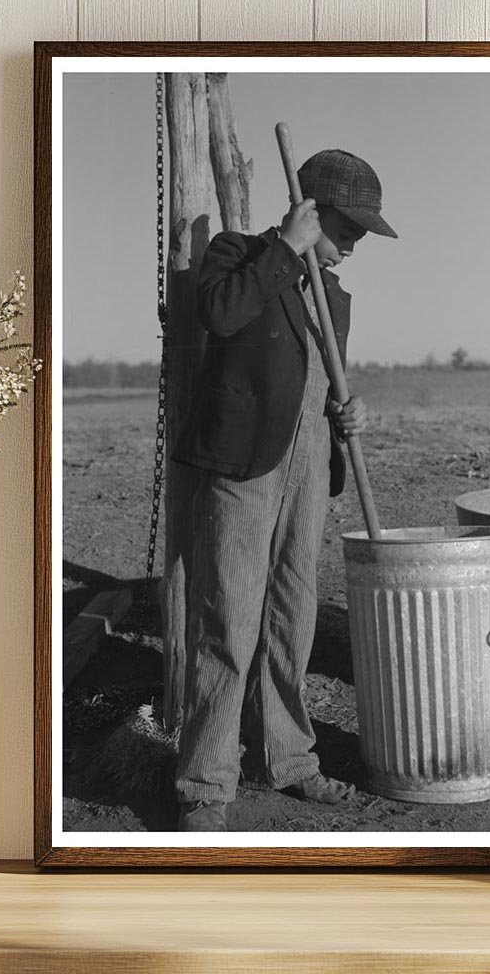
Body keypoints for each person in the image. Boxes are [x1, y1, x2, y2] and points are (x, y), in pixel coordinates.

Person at [172, 148, 398, 832]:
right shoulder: (236, 256)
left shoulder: (334, 298)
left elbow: (321, 382)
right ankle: (204, 784)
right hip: (243, 465)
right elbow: (219, 316)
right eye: (348, 228)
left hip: (309, 464)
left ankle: (292, 761)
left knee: (292, 623)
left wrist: (347, 414)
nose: (355, 245)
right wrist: (284, 249)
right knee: (229, 621)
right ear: (311, 210)